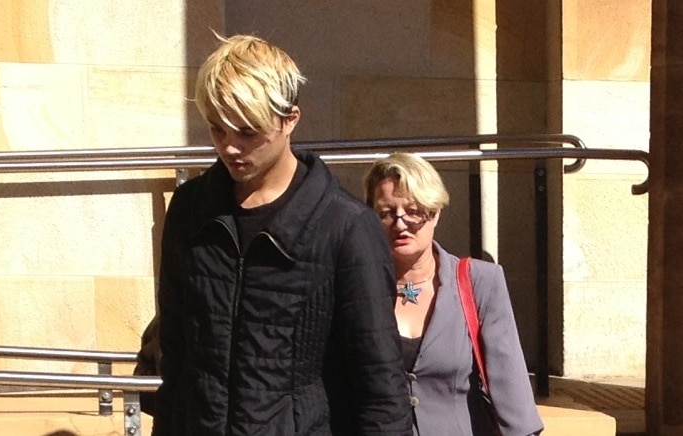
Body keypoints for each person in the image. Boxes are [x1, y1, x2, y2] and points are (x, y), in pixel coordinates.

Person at [152, 34, 412, 435]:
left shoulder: (345, 226)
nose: (231, 147)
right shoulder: (189, 210)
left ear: (289, 119)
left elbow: (380, 385)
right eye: (218, 130)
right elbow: (176, 357)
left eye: (248, 131)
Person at [364, 153, 544, 436]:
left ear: (435, 212)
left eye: (413, 211)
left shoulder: (480, 281)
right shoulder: (355, 285)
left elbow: (512, 391)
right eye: (387, 213)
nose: (400, 224)